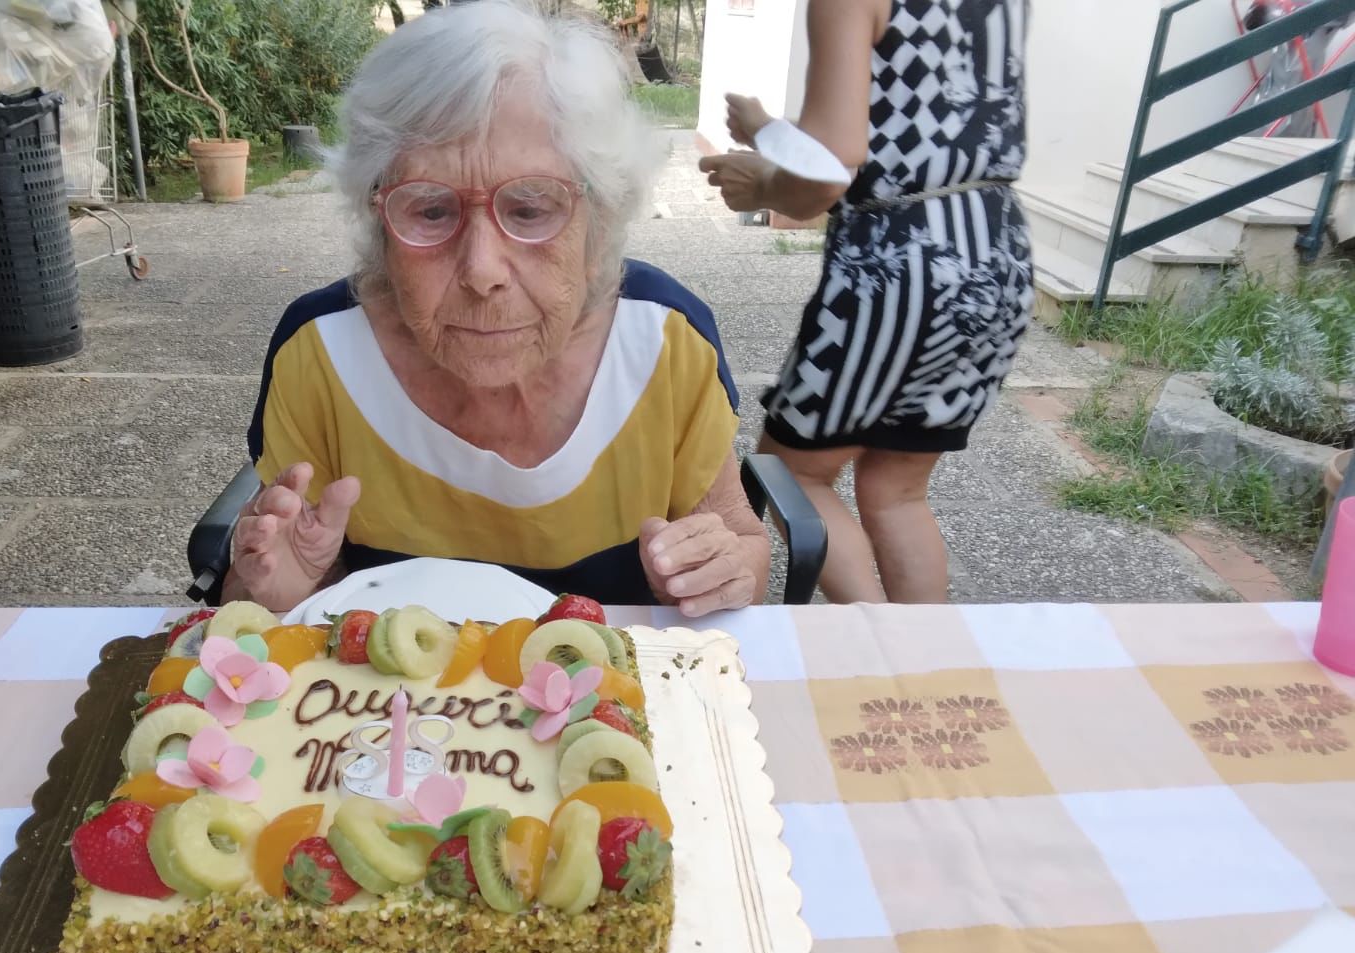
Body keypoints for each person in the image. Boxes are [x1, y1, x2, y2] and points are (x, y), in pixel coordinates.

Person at [225, 0, 769, 617]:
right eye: (430, 210)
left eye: (531, 208)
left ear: (601, 225)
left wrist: (720, 570)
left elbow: (742, 540)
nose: (482, 270)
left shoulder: (665, 343)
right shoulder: (321, 353)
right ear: (379, 226)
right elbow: (260, 605)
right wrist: (284, 591)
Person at [699, 0, 1033, 603]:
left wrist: (764, 176)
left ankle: (878, 651)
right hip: (998, 249)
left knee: (795, 472)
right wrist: (770, 134)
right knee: (896, 486)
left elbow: (828, 168)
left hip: (903, 266)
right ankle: (925, 669)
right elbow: (931, 118)